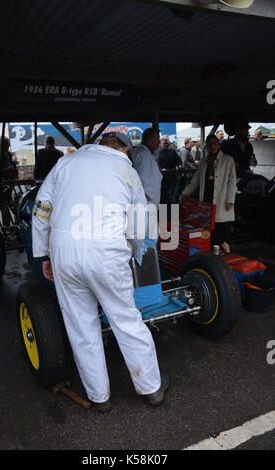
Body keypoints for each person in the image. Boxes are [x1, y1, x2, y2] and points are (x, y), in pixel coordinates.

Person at [32, 131, 169, 412]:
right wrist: (132, 250)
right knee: (126, 320)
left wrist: (44, 253)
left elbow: (42, 209)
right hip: (106, 253)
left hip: (64, 252)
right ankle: (151, 388)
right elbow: (138, 221)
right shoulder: (126, 169)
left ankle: (99, 397)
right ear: (124, 150)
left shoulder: (66, 163)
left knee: (81, 325)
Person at [182, 134, 236, 254]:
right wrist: (185, 193)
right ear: (206, 146)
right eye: (209, 144)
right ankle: (214, 255)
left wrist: (230, 200)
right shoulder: (203, 161)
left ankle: (224, 253)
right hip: (206, 200)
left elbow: (232, 181)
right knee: (207, 228)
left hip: (222, 200)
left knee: (222, 227)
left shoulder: (228, 160)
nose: (212, 146)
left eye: (214, 143)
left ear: (218, 145)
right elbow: (195, 180)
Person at [132, 128, 162, 208]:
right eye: (157, 139)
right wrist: (152, 196)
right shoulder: (144, 155)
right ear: (150, 139)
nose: (159, 142)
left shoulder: (145, 153)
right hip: (147, 202)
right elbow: (143, 177)